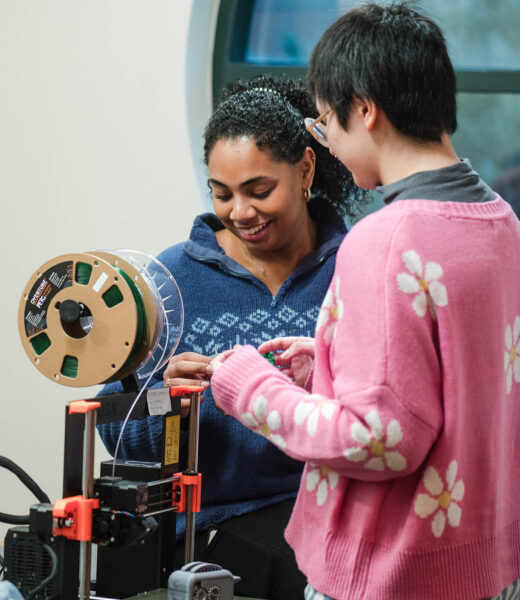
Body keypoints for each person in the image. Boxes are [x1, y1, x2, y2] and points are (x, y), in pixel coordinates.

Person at [209, 4, 520, 600]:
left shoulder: (386, 239)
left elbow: (377, 438)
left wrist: (247, 384)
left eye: (326, 121)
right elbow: (460, 380)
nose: (329, 145)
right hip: (485, 569)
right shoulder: (500, 221)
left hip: (391, 577)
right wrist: (328, 359)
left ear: (364, 109)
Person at [98, 75, 367, 599]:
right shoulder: (169, 281)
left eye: (259, 190)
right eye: (222, 194)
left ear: (306, 169)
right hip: (214, 532)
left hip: (336, 515)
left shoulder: (357, 267)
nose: (240, 212)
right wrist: (161, 399)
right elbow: (115, 432)